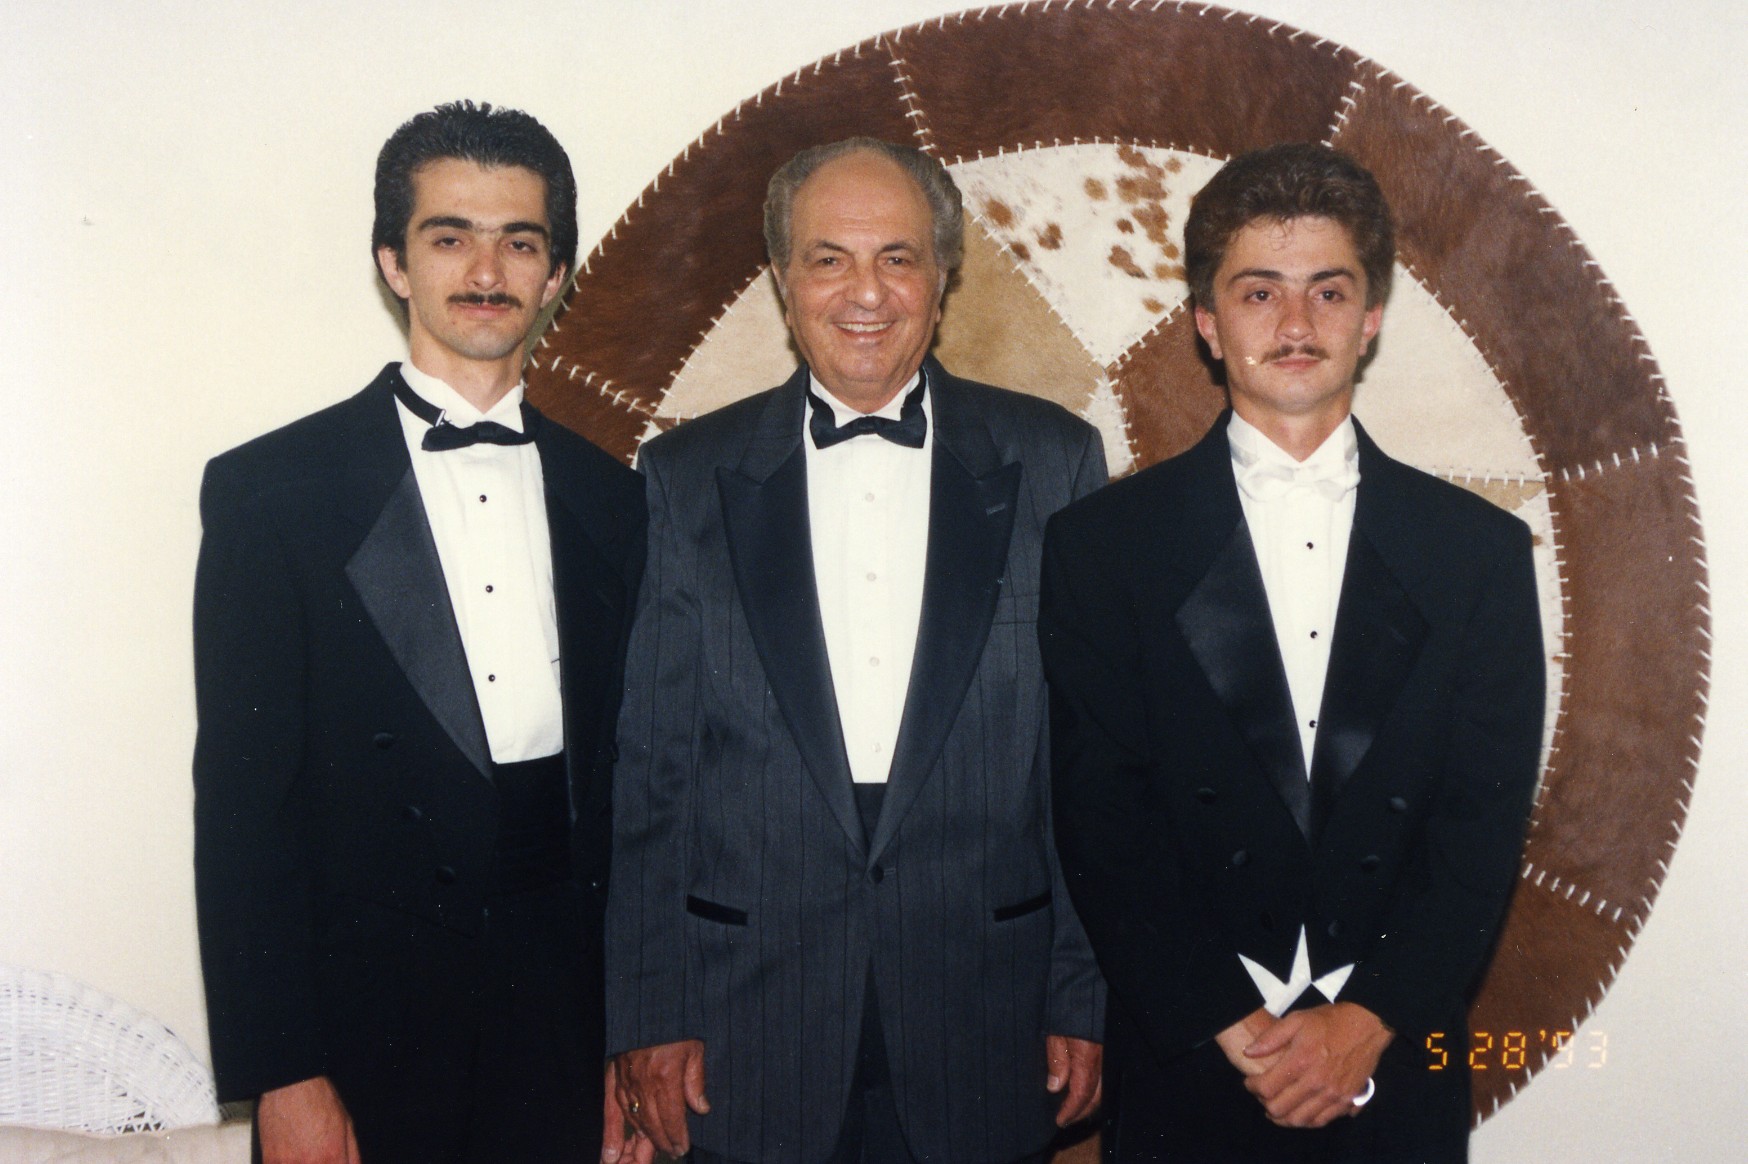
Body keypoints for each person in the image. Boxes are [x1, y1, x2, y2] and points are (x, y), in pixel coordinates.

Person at [605, 137, 1107, 1164]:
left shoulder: (1055, 460)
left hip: (990, 1010)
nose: (864, 293)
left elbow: (1086, 765)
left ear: (943, 276)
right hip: (745, 1022)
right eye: (828, 259)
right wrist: (647, 1011)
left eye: (897, 257)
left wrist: (1082, 991)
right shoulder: (682, 476)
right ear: (782, 282)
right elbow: (653, 775)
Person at [1039, 143, 1544, 1163]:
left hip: (1392, 1055)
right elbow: (1101, 816)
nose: (1297, 323)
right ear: (1206, 321)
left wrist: (1366, 1020)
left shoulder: (1477, 553)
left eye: (1328, 290)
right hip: (1190, 1053)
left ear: (1370, 317)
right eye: (1259, 291)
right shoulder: (1103, 545)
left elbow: (1479, 828)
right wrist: (1232, 1025)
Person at [193, 100, 645, 1164]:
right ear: (393, 263)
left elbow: (640, 808)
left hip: (564, 1022)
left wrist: (631, 1042)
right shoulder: (274, 494)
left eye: (519, 242)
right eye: (450, 237)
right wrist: (284, 1074)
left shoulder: (617, 500)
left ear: (556, 273)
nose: (486, 270)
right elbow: (244, 813)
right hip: (363, 1033)